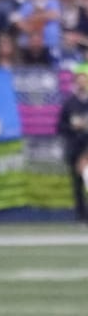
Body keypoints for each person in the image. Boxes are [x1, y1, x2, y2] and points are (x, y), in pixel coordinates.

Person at [61, 68, 88, 225]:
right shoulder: (70, 103)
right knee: (77, 183)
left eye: (84, 80)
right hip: (75, 147)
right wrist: (73, 127)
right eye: (79, 80)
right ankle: (81, 215)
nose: (82, 83)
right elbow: (60, 126)